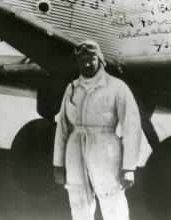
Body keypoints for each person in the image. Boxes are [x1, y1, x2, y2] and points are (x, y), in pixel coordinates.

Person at [53, 39, 141, 220]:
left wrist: (129, 167)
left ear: (99, 59)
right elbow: (62, 126)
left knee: (112, 202)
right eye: (81, 59)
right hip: (74, 149)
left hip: (106, 148)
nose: (86, 63)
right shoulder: (71, 89)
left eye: (91, 58)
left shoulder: (117, 87)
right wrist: (58, 164)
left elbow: (131, 127)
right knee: (78, 201)